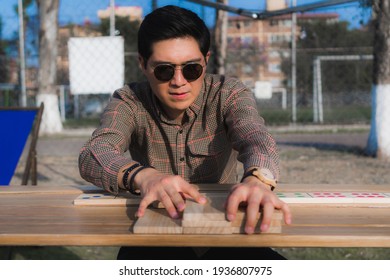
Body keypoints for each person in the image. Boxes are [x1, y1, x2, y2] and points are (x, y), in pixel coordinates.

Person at [79, 5, 291, 259]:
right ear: (143, 64)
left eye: (191, 69)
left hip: (225, 226)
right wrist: (144, 177)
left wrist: (258, 181)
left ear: (206, 60)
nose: (179, 81)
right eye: (164, 70)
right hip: (156, 232)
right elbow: (94, 152)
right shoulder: (129, 101)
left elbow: (257, 139)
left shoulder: (228, 93)